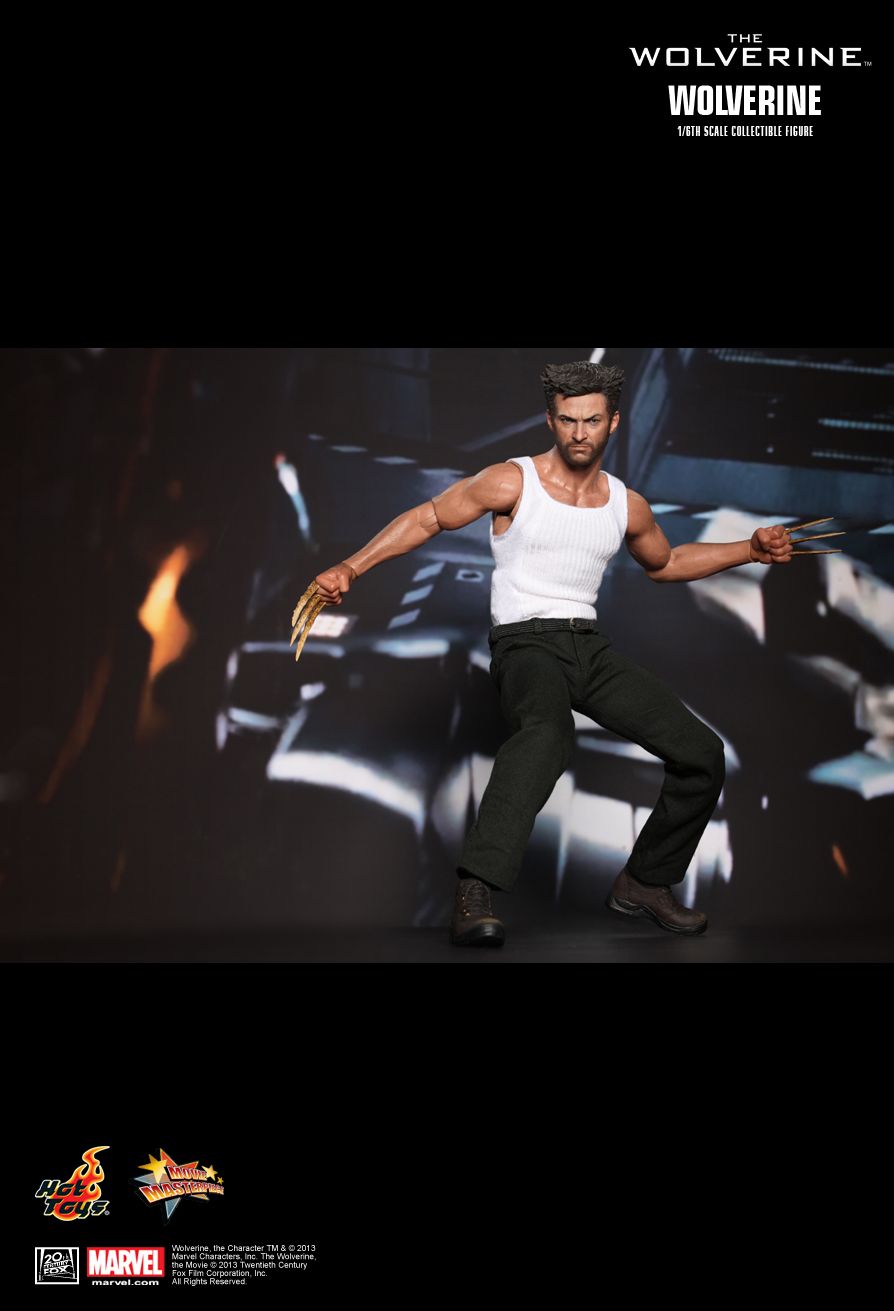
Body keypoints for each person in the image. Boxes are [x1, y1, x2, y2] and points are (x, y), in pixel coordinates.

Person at [310, 360, 797, 947]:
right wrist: (351, 566)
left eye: (591, 420)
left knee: (701, 753)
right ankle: (474, 888)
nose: (579, 433)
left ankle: (645, 881)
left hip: (588, 646)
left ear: (613, 422)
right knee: (547, 734)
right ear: (551, 420)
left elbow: (667, 563)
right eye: (568, 420)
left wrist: (749, 550)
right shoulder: (512, 481)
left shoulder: (626, 505)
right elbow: (428, 517)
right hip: (524, 643)